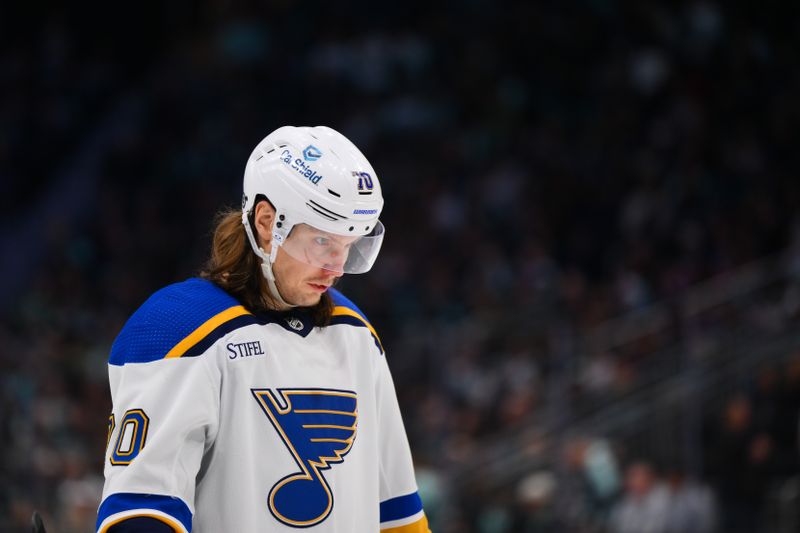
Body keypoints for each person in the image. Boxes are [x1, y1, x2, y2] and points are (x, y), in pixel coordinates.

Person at [95, 126, 430, 532]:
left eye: (349, 246)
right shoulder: (176, 330)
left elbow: (398, 515)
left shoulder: (356, 335)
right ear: (268, 221)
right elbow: (143, 513)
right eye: (323, 242)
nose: (337, 268)